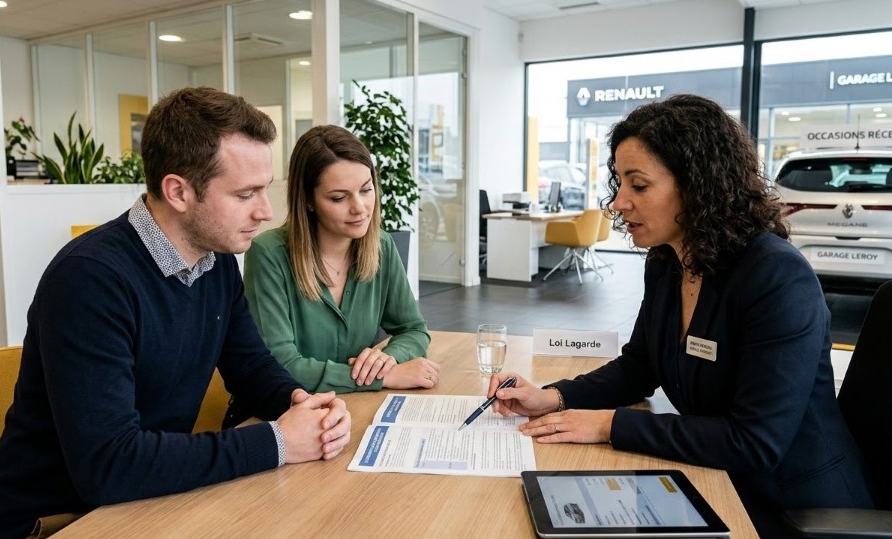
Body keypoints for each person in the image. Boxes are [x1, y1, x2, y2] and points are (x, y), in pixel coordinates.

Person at [486, 94, 874, 537]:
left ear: (696, 185)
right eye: (619, 184)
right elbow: (640, 365)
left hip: (791, 506)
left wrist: (610, 423)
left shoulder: (776, 277)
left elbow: (755, 443)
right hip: (712, 478)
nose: (618, 203)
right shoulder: (668, 260)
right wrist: (552, 397)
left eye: (639, 185)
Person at [0, 87, 351, 539]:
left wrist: (304, 407)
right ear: (178, 191)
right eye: (245, 194)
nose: (266, 212)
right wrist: (278, 442)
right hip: (59, 521)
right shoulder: (89, 279)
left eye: (266, 190)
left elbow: (250, 367)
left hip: (146, 499)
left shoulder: (216, 262)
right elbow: (109, 465)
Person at [234, 124, 436, 403]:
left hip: (356, 408)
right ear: (308, 201)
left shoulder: (382, 246)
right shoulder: (269, 254)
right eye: (339, 197)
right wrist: (385, 377)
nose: (360, 207)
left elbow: (413, 329)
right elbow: (279, 364)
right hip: (287, 414)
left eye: (366, 190)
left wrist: (387, 358)